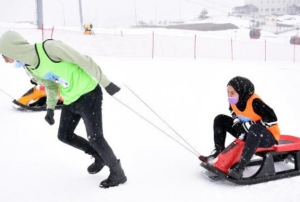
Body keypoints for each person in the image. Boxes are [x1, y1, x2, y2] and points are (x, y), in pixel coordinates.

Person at [0, 31, 127, 188]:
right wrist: (50, 108)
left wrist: (105, 82)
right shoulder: (30, 67)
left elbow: (84, 61)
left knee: (95, 137)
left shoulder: (50, 48)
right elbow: (50, 85)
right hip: (70, 99)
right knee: (64, 135)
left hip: (88, 94)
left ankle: (118, 173)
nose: (5, 61)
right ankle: (98, 156)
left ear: (12, 49)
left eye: (4, 56)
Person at [200, 76, 280, 179]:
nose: (229, 95)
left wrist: (249, 125)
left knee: (255, 129)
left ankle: (240, 167)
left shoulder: (255, 102)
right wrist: (237, 121)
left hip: (266, 136)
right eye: (228, 91)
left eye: (232, 92)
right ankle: (219, 152)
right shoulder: (234, 100)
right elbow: (234, 112)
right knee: (220, 119)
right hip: (246, 132)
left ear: (242, 92)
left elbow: (272, 119)